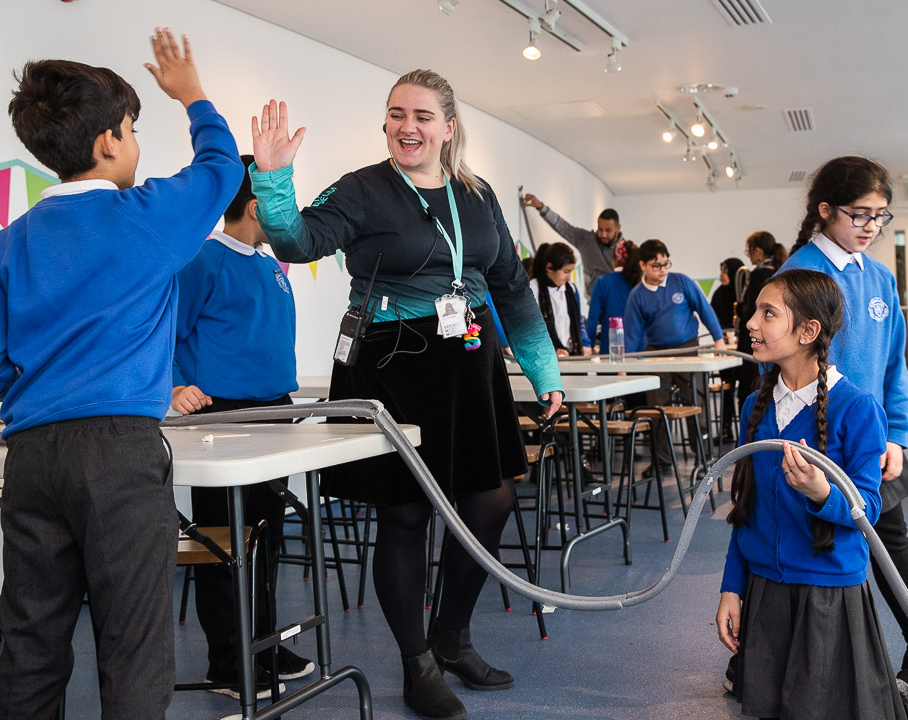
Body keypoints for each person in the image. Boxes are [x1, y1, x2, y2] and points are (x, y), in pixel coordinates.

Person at [0, 30, 243, 719]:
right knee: (133, 641)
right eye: (134, 130)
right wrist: (191, 93)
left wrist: (37, 380)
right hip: (119, 452)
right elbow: (222, 168)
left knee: (30, 641)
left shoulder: (6, 242)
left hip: (31, 456)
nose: (135, 145)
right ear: (109, 141)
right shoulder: (148, 216)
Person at [249, 70, 563, 720]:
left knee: (493, 497)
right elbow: (296, 241)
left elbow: (509, 285)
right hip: (390, 366)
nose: (407, 126)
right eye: (396, 114)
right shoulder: (363, 189)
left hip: (470, 364)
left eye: (422, 115)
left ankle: (451, 637)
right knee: (405, 516)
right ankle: (417, 663)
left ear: (449, 127)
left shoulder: (478, 197)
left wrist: (545, 373)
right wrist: (274, 181)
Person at [779, 156, 908, 716]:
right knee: (830, 549)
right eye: (859, 215)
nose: (871, 225)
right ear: (825, 211)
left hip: (874, 442)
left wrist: (896, 435)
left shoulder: (878, 275)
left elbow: (895, 364)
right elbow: (790, 366)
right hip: (823, 442)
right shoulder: (799, 276)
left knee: (888, 541)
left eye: (881, 215)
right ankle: (769, 662)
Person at [716, 268, 906, 720]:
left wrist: (823, 494)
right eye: (754, 312)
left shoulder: (857, 408)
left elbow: (870, 507)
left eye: (768, 314)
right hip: (765, 590)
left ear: (807, 331)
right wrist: (731, 588)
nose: (751, 325)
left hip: (827, 594)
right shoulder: (754, 406)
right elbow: (746, 507)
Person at [171, 155, 315, 699]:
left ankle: (264, 643)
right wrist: (176, 384)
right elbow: (165, 331)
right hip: (223, 416)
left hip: (273, 412)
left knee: (266, 538)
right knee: (224, 543)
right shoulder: (203, 260)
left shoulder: (270, 262)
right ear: (256, 206)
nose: (289, 214)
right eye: (279, 204)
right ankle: (228, 662)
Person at [623, 239, 726, 477]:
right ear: (643, 265)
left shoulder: (681, 282)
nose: (662, 269)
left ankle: (704, 459)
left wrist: (718, 339)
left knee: (696, 404)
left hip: (688, 349)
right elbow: (631, 333)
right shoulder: (637, 296)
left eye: (665, 263)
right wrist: (624, 366)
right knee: (657, 408)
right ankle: (662, 460)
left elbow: (704, 309)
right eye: (656, 265)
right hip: (657, 354)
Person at [521, 193, 625, 298]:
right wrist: (542, 208)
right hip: (594, 299)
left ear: (618, 228)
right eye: (600, 229)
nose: (603, 234)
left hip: (618, 299)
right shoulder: (587, 240)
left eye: (608, 230)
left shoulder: (626, 249)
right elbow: (564, 228)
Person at [734, 232, 787, 404]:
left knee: (749, 390)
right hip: (776, 340)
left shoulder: (758, 275)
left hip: (754, 342)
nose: (749, 256)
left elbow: (752, 311)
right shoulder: (783, 271)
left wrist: (739, 309)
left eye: (748, 251)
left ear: (757, 251)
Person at [529, 242, 593, 357]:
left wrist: (585, 343)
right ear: (549, 267)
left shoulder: (571, 289)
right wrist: (554, 349)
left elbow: (578, 321)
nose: (569, 277)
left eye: (570, 271)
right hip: (545, 358)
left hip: (571, 355)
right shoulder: (532, 289)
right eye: (565, 272)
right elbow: (532, 329)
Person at [710, 257, 746, 441]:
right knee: (727, 388)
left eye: (724, 271)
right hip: (727, 350)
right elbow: (715, 322)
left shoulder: (745, 294)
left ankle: (746, 432)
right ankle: (726, 429)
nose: (721, 275)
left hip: (744, 350)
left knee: (746, 390)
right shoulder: (718, 295)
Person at [586, 240, 640, 354]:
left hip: (611, 349)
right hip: (638, 349)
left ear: (614, 260)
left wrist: (589, 347)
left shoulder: (602, 282)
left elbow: (592, 320)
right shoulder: (640, 283)